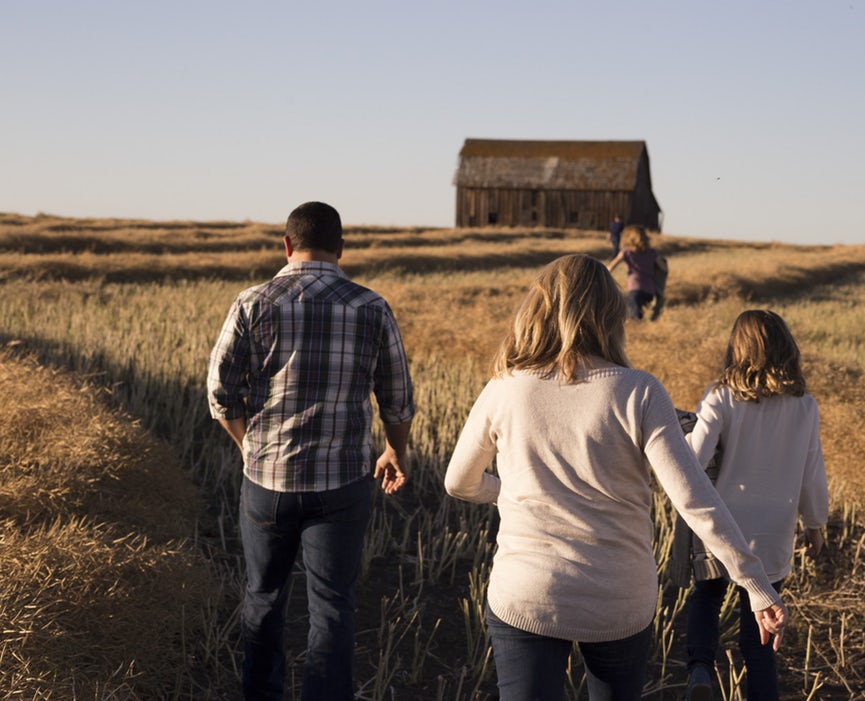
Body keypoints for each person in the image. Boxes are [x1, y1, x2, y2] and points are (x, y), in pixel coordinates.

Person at [444, 255, 786, 701]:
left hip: (527, 594)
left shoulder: (505, 387)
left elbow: (459, 482)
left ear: (539, 309)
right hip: (619, 600)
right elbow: (693, 499)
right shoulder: (640, 391)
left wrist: (512, 492)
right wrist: (755, 585)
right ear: (611, 313)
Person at [207, 201, 415, 700]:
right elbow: (398, 400)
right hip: (342, 485)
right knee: (333, 606)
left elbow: (220, 392)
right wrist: (395, 451)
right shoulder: (370, 306)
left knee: (262, 599)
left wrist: (247, 446)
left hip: (267, 482)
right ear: (341, 249)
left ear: (286, 245)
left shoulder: (252, 302)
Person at [682, 310, 828, 701]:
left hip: (723, 525)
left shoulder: (721, 396)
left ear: (737, 348)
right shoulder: (804, 406)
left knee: (707, 596)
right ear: (787, 349)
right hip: (774, 531)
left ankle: (699, 668)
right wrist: (815, 523)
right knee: (760, 635)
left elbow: (694, 459)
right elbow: (813, 471)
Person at [608, 225, 668, 321]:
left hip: (635, 289)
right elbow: (664, 268)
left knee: (634, 318)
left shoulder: (626, 252)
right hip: (650, 291)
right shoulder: (652, 252)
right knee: (643, 316)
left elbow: (610, 267)